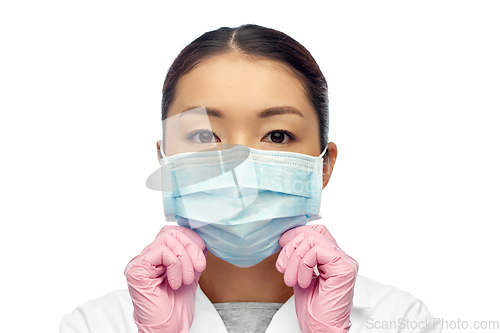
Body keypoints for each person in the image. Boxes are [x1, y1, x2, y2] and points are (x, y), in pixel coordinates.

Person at [60, 24, 442, 333]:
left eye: (277, 135)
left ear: (323, 166)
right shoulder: (95, 325)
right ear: (166, 162)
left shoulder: (403, 320)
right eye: (205, 136)